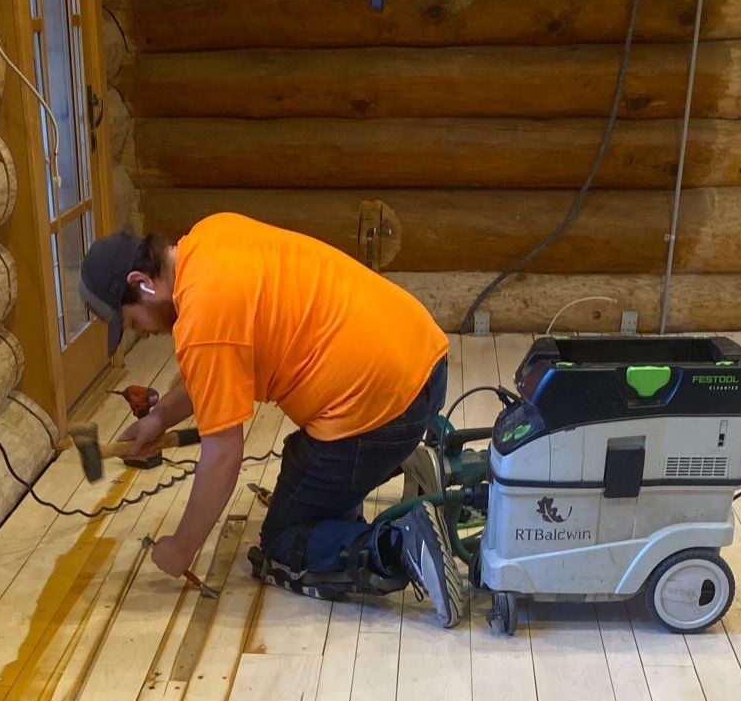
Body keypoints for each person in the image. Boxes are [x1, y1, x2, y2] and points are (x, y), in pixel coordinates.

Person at [78, 212, 464, 628]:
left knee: (282, 544)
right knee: (303, 458)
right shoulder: (209, 238)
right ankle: (395, 458)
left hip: (383, 410)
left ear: (142, 283)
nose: (141, 332)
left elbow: (223, 456)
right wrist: (159, 420)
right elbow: (214, 365)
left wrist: (182, 547)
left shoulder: (202, 319)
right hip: (423, 359)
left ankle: (403, 543)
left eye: (132, 321)